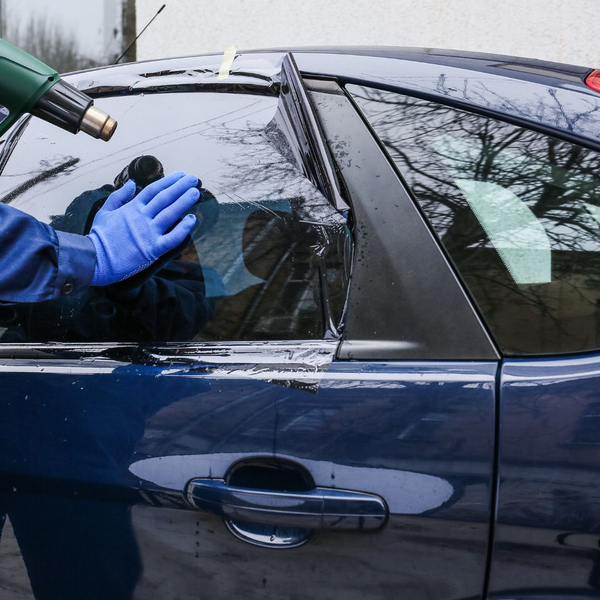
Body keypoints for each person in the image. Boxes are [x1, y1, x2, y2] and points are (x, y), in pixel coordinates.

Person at [0, 170, 200, 304]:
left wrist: (130, 287)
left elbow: (184, 311)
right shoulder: (59, 228)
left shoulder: (198, 280)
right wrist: (92, 252)